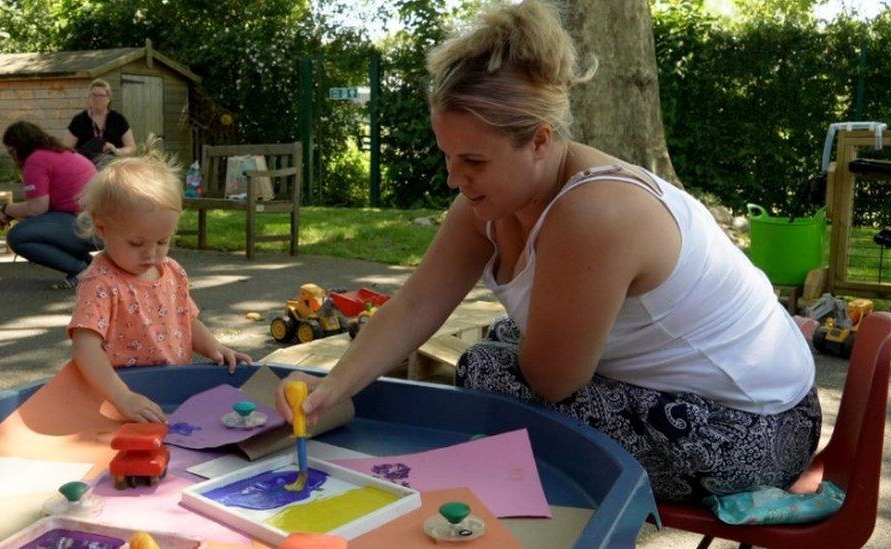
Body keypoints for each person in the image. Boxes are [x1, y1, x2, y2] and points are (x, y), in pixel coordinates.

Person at [274, 0, 821, 503]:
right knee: (495, 350)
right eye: (448, 157)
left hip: (756, 430)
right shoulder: (490, 203)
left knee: (486, 370)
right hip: (730, 392)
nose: (453, 180)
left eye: (474, 162)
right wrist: (331, 388)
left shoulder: (594, 214)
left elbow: (553, 382)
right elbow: (415, 307)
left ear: (539, 139)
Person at [66, 153, 252, 423]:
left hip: (171, 391)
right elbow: (85, 348)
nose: (151, 254)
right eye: (136, 243)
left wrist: (214, 347)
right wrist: (123, 397)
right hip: (120, 398)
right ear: (101, 226)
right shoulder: (102, 281)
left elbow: (186, 320)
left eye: (162, 242)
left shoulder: (172, 271)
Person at [0, 121, 99, 289]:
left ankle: (80, 270)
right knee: (37, 227)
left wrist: (7, 210)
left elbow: (37, 208)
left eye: (11, 151)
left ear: (18, 147)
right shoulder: (59, 153)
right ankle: (92, 268)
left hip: (88, 227)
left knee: (18, 236)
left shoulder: (35, 160)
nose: (12, 156)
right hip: (100, 224)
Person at [63, 79, 136, 167]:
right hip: (85, 169)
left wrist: (116, 150)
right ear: (89, 98)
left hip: (112, 168)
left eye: (101, 95)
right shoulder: (79, 120)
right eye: (94, 95)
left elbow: (132, 148)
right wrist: (80, 155)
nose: (97, 99)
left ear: (108, 99)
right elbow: (65, 149)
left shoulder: (118, 119)